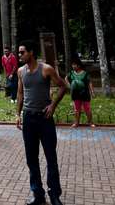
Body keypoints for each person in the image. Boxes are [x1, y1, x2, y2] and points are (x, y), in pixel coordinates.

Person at [16, 41, 68, 205]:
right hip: (29, 119)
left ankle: (54, 195)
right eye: (19, 52)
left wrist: (53, 106)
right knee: (31, 158)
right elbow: (20, 93)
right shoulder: (20, 71)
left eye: (22, 52)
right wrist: (17, 114)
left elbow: (63, 86)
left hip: (44, 119)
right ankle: (38, 194)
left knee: (50, 157)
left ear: (31, 52)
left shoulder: (46, 69)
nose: (20, 55)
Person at [66, 58, 95, 128]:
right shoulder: (71, 73)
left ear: (79, 66)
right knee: (76, 109)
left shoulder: (85, 73)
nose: (73, 66)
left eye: (74, 65)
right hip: (75, 94)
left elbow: (89, 83)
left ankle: (90, 123)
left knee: (87, 109)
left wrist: (92, 92)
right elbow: (66, 78)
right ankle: (76, 123)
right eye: (72, 65)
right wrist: (69, 85)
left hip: (85, 94)